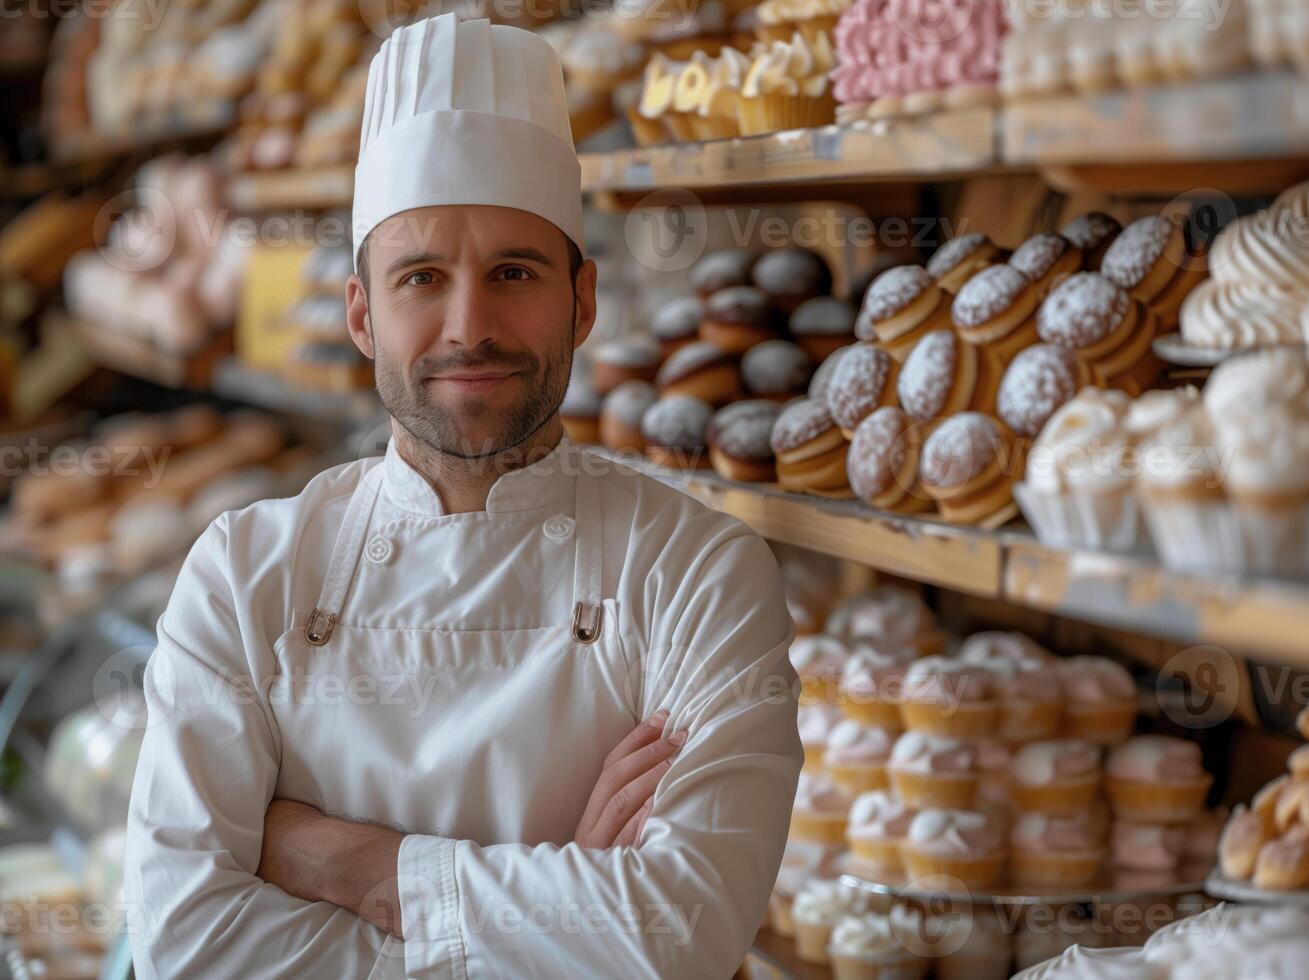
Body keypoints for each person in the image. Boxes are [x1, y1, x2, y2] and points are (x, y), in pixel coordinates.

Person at [124, 14, 802, 979]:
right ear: (361, 314)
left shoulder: (695, 571)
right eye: (421, 277)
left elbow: (680, 937)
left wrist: (353, 867)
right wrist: (564, 901)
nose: (468, 326)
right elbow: (184, 945)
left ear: (583, 301)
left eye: (515, 273)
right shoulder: (244, 575)